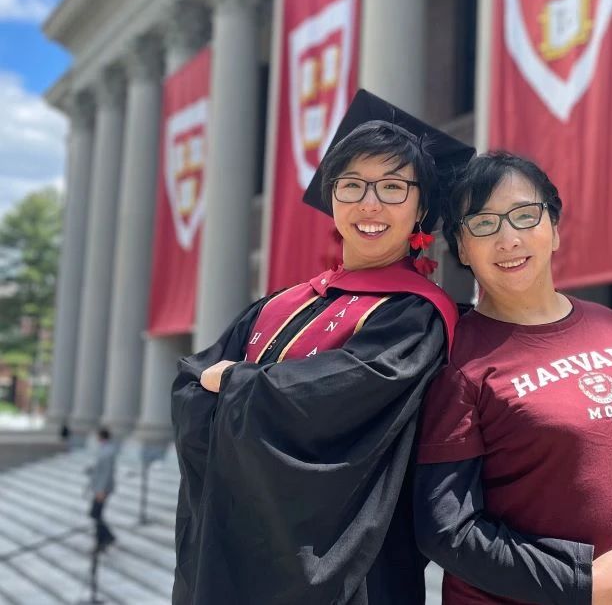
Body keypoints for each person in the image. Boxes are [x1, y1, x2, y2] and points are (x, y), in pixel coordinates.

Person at [171, 90, 473, 605]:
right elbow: (188, 386)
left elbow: (338, 402)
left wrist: (236, 382)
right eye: (352, 185)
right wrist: (239, 393)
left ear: (421, 207)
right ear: (332, 199)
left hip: (351, 570)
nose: (370, 204)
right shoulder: (278, 304)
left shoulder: (417, 315)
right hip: (231, 546)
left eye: (393, 187)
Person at [414, 151, 612, 604]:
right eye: (484, 223)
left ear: (554, 229)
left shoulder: (610, 324)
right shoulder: (458, 358)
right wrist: (582, 583)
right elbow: (447, 529)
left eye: (525, 215)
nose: (508, 238)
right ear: (462, 248)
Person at [87, 427, 116, 553]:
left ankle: (104, 539)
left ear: (101, 436)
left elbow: (107, 473)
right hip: (99, 488)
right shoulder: (103, 449)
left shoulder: (108, 451)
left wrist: (102, 490)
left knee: (95, 513)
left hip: (102, 489)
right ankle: (106, 538)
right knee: (96, 514)